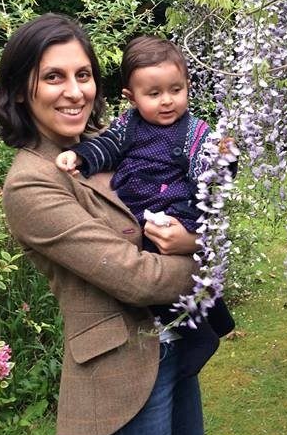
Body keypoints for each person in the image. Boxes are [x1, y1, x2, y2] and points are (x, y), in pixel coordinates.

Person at [0, 13, 210, 435]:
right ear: (22, 91)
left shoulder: (114, 142)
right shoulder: (32, 185)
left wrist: (199, 235)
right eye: (54, 77)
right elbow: (134, 277)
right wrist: (203, 255)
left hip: (172, 345)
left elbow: (197, 198)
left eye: (83, 75)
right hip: (120, 369)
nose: (74, 92)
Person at [54, 36, 235, 378]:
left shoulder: (195, 131)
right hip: (139, 210)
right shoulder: (128, 127)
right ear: (131, 97)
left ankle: (200, 336)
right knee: (160, 272)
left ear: (188, 87)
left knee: (163, 273)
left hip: (178, 208)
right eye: (154, 94)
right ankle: (212, 324)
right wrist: (79, 156)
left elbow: (210, 174)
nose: (167, 101)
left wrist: (225, 160)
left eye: (176, 90)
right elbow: (104, 148)